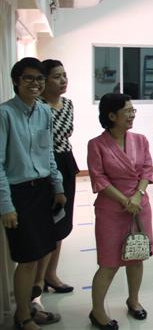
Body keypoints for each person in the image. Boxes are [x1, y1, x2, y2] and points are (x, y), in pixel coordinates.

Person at [1, 58, 66, 330]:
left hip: (42, 190)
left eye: (39, 78)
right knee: (27, 258)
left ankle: (30, 307)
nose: (35, 83)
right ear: (16, 81)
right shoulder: (5, 114)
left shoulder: (44, 112)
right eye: (28, 78)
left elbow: (47, 152)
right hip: (19, 193)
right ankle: (22, 316)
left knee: (41, 252)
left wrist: (58, 186)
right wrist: (6, 205)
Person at [87, 93, 153, 329]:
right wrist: (126, 200)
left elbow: (147, 169)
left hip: (139, 206)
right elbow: (99, 178)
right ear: (111, 115)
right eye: (127, 111)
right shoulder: (96, 144)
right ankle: (97, 311)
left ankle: (133, 300)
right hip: (111, 209)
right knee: (109, 262)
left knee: (136, 257)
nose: (132, 114)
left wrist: (137, 195)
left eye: (133, 110)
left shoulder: (140, 140)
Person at [34, 59, 78, 296]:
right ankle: (38, 279)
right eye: (56, 76)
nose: (63, 80)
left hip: (66, 161)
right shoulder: (37, 105)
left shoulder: (68, 104)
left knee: (61, 221)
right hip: (45, 165)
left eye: (64, 75)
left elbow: (65, 134)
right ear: (44, 80)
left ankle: (51, 274)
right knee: (47, 221)